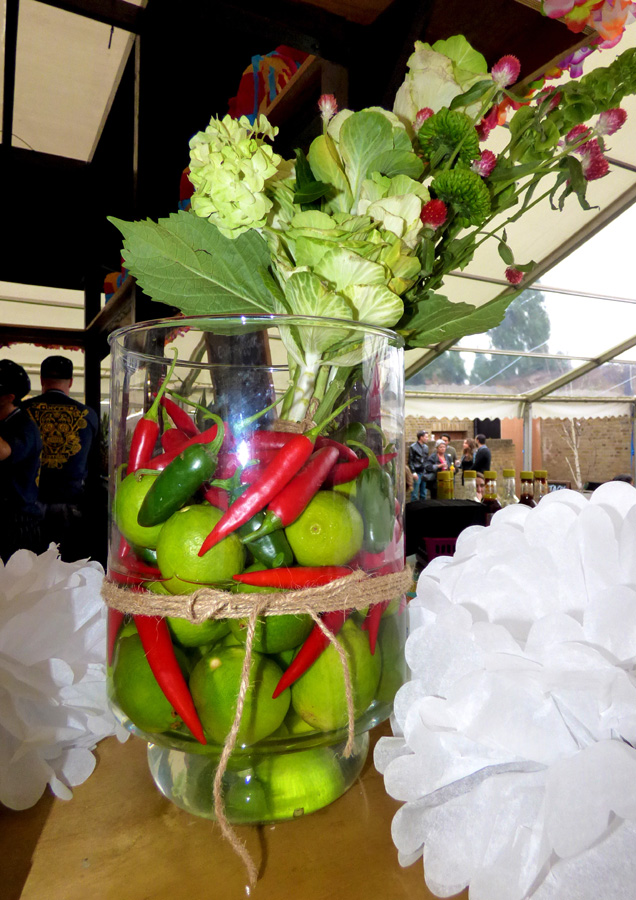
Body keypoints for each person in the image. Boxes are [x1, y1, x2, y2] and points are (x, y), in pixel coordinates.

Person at [23, 356, 99, 561]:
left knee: (29, 566)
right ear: (71, 381)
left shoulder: (24, 411)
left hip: (30, 507)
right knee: (66, 564)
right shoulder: (87, 414)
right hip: (70, 507)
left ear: (41, 380)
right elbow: (94, 462)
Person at [0, 360, 43, 562]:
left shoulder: (23, 426)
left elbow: (3, 451)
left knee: (16, 579)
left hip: (17, 522)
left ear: (9, 397)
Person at [408, 430, 430, 501]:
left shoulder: (426, 447)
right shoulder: (413, 447)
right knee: (414, 493)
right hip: (417, 472)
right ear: (421, 437)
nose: (427, 438)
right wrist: (413, 472)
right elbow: (410, 460)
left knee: (424, 493)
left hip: (424, 472)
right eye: (426, 437)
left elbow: (426, 460)